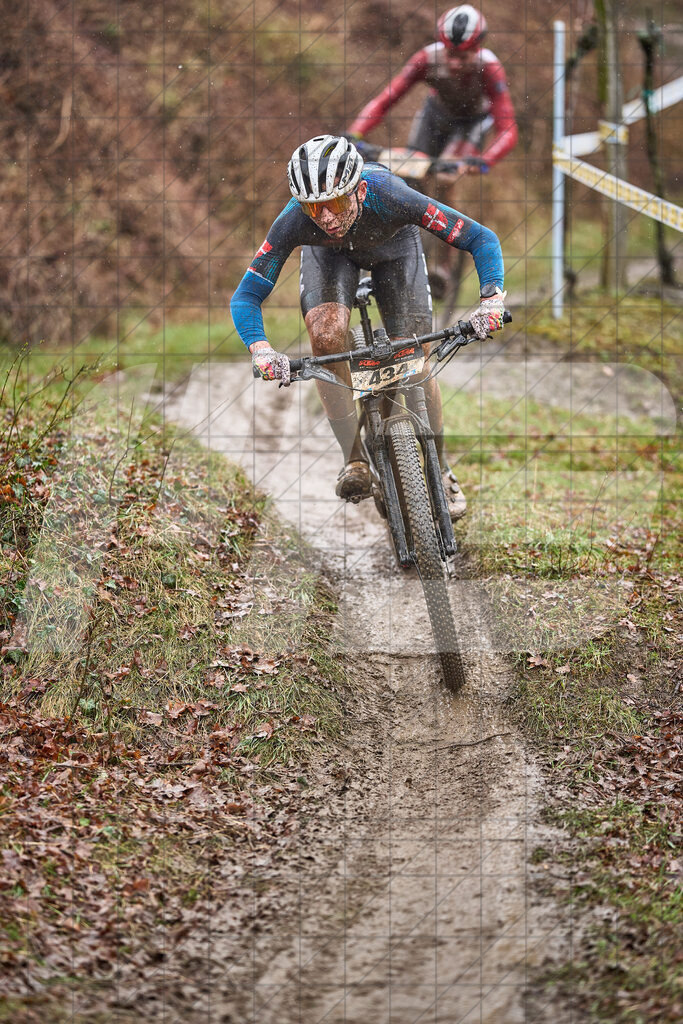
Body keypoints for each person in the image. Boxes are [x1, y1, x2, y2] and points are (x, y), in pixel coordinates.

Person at [230, 135, 506, 519]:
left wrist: (491, 300)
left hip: (395, 249)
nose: (325, 217)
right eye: (312, 207)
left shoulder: (391, 194)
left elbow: (481, 238)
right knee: (326, 336)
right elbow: (245, 296)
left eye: (335, 203)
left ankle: (440, 468)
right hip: (328, 259)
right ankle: (354, 459)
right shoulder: (294, 220)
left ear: (359, 190)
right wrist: (261, 349)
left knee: (415, 357)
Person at [348, 5, 517, 171]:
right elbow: (385, 101)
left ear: (477, 50)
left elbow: (507, 129)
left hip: (470, 123)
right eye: (450, 54)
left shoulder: (489, 68)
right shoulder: (426, 59)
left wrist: (486, 160)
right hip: (435, 114)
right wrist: (354, 134)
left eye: (463, 57)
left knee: (446, 174)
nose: (455, 63)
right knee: (411, 169)